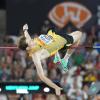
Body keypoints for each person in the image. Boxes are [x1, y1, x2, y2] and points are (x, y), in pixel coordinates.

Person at [18, 24, 82, 95]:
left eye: (30, 40)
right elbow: (42, 77)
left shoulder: (29, 43)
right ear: (28, 48)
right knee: (79, 34)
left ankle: (65, 59)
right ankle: (65, 59)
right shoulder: (36, 55)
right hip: (61, 41)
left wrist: (25, 29)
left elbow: (27, 37)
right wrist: (55, 87)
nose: (32, 40)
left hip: (53, 35)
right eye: (30, 42)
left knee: (76, 34)